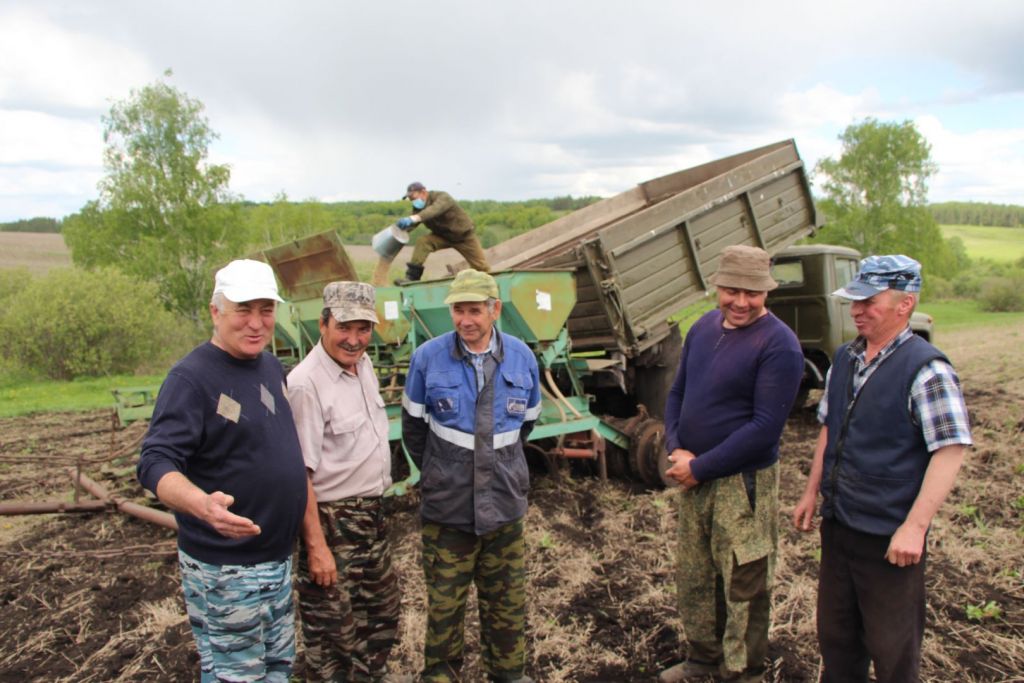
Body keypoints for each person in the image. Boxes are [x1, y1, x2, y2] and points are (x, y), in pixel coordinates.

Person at [793, 255, 972, 683]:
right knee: (837, 639)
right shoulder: (845, 359)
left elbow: (950, 450)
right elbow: (827, 429)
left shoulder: (927, 370)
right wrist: (810, 493)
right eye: (853, 300)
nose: (856, 310)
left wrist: (915, 527)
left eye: (868, 301)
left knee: (893, 652)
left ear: (904, 304)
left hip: (889, 538)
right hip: (839, 526)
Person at [137, 259, 308, 683]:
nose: (256, 323)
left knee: (276, 671)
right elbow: (155, 462)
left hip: (275, 560)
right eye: (242, 310)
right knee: (236, 676)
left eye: (265, 310)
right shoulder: (191, 379)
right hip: (227, 571)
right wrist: (201, 504)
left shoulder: (269, 367)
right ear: (216, 312)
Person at [659, 245, 804, 683]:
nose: (741, 302)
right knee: (696, 574)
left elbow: (764, 428)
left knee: (744, 579)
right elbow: (676, 394)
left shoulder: (780, 345)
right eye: (732, 291)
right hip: (694, 476)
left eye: (753, 293)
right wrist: (677, 447)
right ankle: (702, 659)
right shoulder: (703, 328)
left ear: (766, 293)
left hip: (743, 483)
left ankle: (743, 671)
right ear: (716, 287)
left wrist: (700, 467)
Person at [400, 269, 540, 683]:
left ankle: (508, 676)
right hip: (448, 512)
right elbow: (414, 430)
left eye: (475, 310)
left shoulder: (522, 357)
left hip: (504, 508)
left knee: (507, 606)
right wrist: (442, 475)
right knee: (444, 611)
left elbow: (525, 425)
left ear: (494, 310)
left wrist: (502, 473)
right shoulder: (428, 358)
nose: (465, 320)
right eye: (458, 310)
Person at [286, 281, 402, 682]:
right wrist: (316, 547)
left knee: (381, 617)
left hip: (371, 516)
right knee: (334, 634)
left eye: (363, 329)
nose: (354, 340)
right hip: (333, 523)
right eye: (344, 328)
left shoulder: (364, 365)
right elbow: (299, 474)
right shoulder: (306, 383)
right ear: (323, 323)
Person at [394, 182, 490, 284]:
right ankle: (412, 278)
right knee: (423, 242)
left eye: (413, 197)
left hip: (464, 237)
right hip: (442, 237)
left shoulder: (442, 197)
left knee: (481, 266)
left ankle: (490, 286)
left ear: (423, 192)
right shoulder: (419, 208)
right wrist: (397, 231)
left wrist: (414, 218)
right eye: (411, 199)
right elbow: (412, 223)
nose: (413, 201)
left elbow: (434, 210)